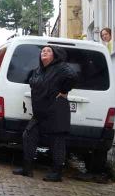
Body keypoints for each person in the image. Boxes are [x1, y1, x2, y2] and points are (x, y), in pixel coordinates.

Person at [13, 45, 78, 182]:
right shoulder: (38, 70)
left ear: (54, 55)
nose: (44, 52)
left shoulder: (60, 67)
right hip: (40, 112)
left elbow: (72, 76)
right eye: (43, 50)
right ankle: (27, 168)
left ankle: (57, 173)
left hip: (56, 111)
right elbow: (33, 83)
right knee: (28, 135)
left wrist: (65, 90)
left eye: (48, 51)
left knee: (57, 142)